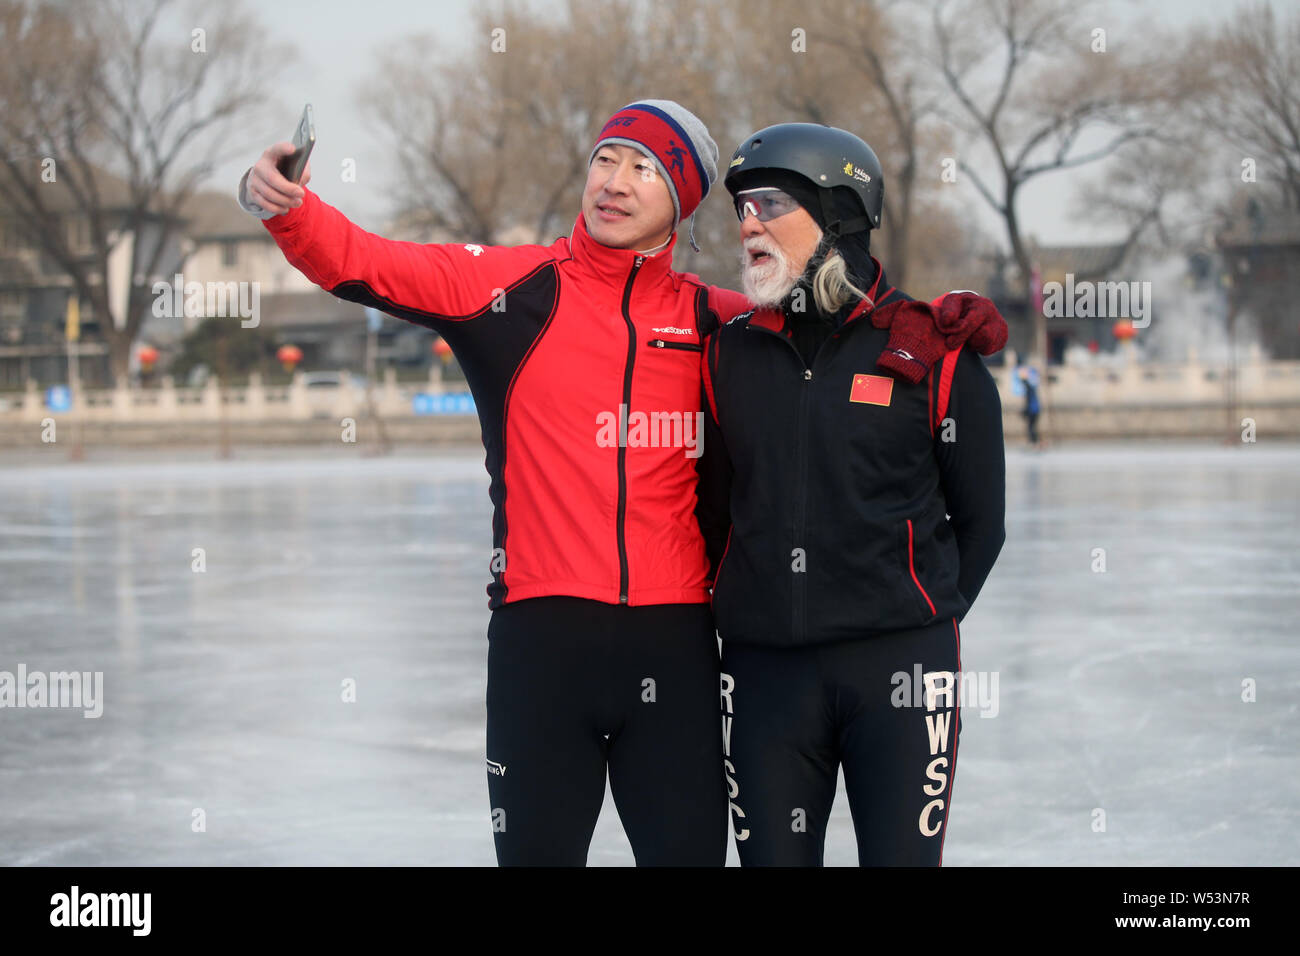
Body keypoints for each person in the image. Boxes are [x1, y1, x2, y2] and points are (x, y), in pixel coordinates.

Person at [237, 100, 751, 866]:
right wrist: (287, 209)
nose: (615, 181)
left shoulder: (721, 323)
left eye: (645, 168)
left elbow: (835, 340)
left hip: (674, 650)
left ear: (680, 201)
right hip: (540, 645)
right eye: (606, 158)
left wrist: (929, 331)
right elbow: (371, 262)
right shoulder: (514, 290)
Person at [696, 123, 1007, 866]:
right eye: (740, 207)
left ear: (838, 213)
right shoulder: (727, 354)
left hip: (899, 675)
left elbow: (982, 527)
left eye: (769, 203)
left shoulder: (935, 352)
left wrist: (905, 616)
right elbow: (712, 515)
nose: (748, 224)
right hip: (764, 676)